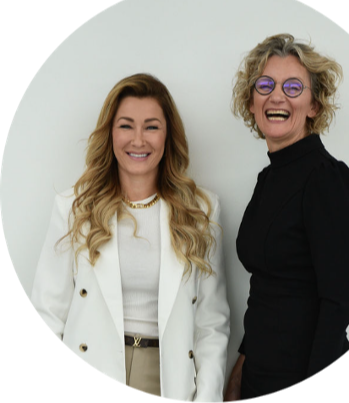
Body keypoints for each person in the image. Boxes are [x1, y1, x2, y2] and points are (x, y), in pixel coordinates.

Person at [31, 73, 230, 403]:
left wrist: (207, 398)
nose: (138, 140)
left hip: (166, 377)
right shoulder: (73, 208)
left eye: (151, 127)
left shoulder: (201, 211)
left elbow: (212, 323)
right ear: (110, 133)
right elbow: (46, 314)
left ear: (168, 135)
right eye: (126, 126)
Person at [224, 34, 349, 402]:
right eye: (265, 85)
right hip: (258, 378)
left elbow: (336, 306)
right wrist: (240, 371)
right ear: (251, 102)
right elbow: (267, 290)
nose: (277, 96)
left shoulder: (326, 178)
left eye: (293, 87)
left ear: (314, 105)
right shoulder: (269, 178)